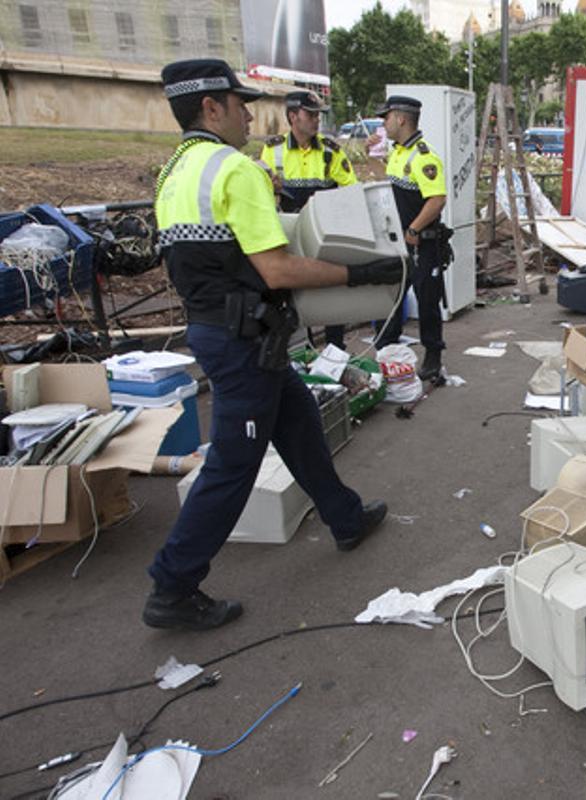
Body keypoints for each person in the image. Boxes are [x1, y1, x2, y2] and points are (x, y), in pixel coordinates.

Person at [147, 59, 398, 630]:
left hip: (220, 331)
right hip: (243, 342)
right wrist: (357, 275)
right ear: (211, 108)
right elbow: (278, 270)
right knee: (234, 463)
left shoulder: (173, 173)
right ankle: (172, 585)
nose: (249, 114)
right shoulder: (235, 169)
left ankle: (345, 517)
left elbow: (203, 261)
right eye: (239, 104)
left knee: (299, 420)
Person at [261, 90, 358, 350]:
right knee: (293, 298)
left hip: (325, 235)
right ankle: (300, 355)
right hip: (291, 235)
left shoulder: (330, 152)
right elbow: (264, 197)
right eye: (311, 115)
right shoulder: (273, 150)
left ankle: (335, 353)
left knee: (331, 297)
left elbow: (351, 191)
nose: (316, 120)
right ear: (293, 116)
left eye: (318, 115)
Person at [368, 96, 449, 380]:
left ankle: (433, 354)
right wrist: (372, 158)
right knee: (390, 295)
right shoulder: (400, 153)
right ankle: (386, 350)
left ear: (401, 119)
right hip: (395, 241)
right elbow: (392, 187)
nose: (383, 124)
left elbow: (437, 199)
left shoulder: (424, 157)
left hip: (421, 243)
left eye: (386, 118)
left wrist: (414, 229)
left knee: (427, 300)